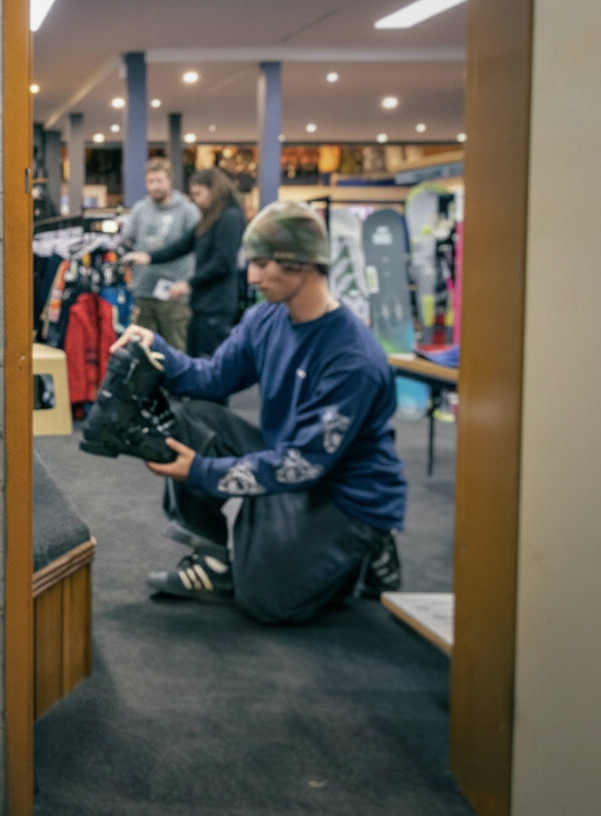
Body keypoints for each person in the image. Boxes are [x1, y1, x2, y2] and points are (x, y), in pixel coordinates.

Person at [112, 199, 408, 625]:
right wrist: (155, 349)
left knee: (266, 601)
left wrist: (202, 472)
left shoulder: (352, 359)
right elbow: (211, 378)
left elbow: (302, 465)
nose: (251, 276)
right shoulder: (264, 318)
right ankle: (215, 558)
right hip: (290, 457)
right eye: (251, 263)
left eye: (263, 264)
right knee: (193, 417)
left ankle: (368, 550)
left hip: (346, 496)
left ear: (303, 263)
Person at [124, 168, 246, 358]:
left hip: (217, 304)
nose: (196, 200)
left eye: (199, 194)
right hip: (201, 303)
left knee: (208, 358)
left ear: (213, 190)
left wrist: (188, 284)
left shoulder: (230, 218)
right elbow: (183, 245)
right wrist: (149, 257)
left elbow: (223, 262)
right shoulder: (209, 218)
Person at [118, 158, 200, 352]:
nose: (155, 186)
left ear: (170, 180)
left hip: (174, 295)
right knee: (142, 352)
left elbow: (199, 248)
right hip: (143, 291)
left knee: (175, 351)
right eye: (150, 181)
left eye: (159, 181)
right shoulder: (140, 209)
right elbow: (127, 240)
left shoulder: (188, 211)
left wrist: (189, 284)